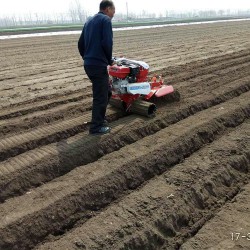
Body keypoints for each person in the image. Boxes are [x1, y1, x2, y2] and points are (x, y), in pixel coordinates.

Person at [78, 0, 115, 135]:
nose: (113, 15)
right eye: (113, 12)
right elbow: (107, 43)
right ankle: (96, 128)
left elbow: (80, 43)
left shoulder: (89, 21)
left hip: (89, 64)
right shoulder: (105, 20)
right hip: (97, 65)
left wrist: (86, 57)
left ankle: (100, 119)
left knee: (107, 92)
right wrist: (109, 60)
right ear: (107, 9)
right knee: (101, 96)